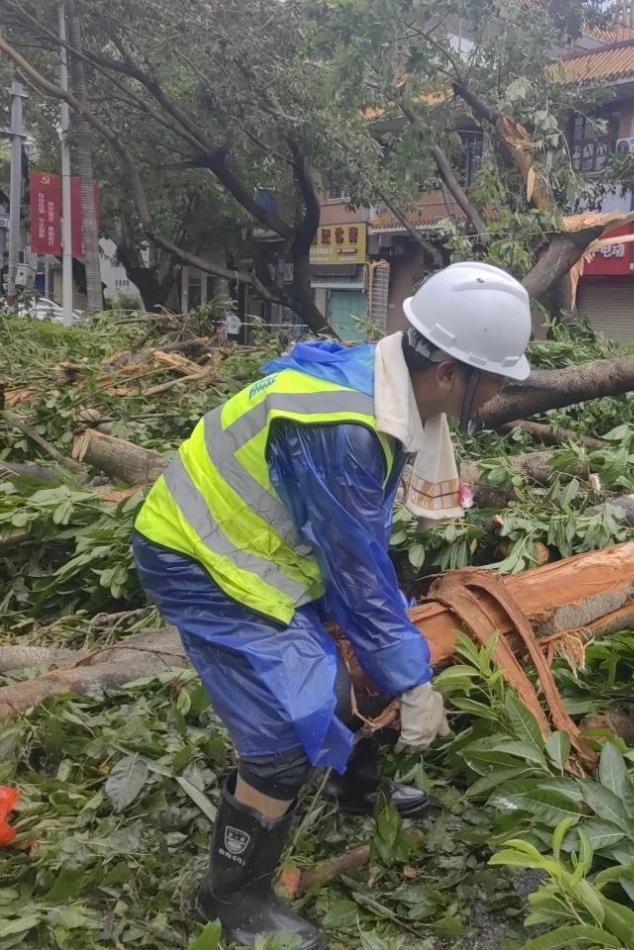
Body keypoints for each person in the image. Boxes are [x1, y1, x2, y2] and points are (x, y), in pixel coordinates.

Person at [131, 261, 533, 947]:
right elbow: (355, 578)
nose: (498, 392)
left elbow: (356, 555)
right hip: (199, 558)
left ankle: (359, 790)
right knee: (283, 737)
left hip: (262, 549)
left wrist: (387, 645)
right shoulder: (347, 428)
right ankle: (230, 898)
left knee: (350, 655)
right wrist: (412, 681)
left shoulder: (383, 378)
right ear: (447, 374)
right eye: (494, 377)